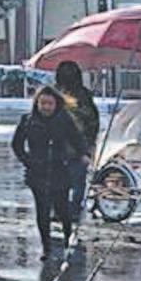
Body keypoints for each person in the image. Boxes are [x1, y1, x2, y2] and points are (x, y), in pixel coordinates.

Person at [11, 85, 86, 258]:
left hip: (60, 170)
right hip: (37, 172)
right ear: (37, 103)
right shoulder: (28, 120)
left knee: (62, 209)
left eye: (49, 104)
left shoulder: (63, 119)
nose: (46, 107)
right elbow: (17, 144)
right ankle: (46, 247)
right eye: (42, 103)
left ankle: (68, 239)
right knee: (42, 211)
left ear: (56, 104)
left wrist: (82, 154)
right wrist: (28, 161)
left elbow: (76, 139)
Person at [54, 60, 99, 229]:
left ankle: (61, 209)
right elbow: (93, 121)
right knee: (77, 180)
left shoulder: (55, 93)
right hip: (76, 145)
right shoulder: (83, 95)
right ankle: (72, 209)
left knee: (61, 179)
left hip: (64, 146)